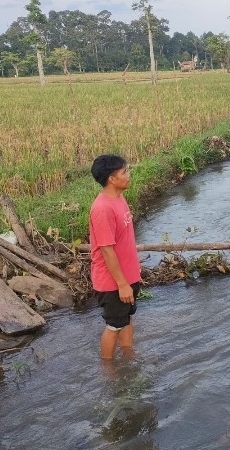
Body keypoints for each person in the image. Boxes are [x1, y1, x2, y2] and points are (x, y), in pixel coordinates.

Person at [89, 154, 142, 360]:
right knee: (114, 325)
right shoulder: (102, 209)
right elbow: (106, 250)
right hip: (113, 283)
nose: (128, 176)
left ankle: (129, 359)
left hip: (128, 276)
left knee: (126, 318)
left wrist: (132, 275)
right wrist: (122, 284)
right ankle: (109, 372)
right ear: (112, 179)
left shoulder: (119, 197)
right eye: (124, 172)